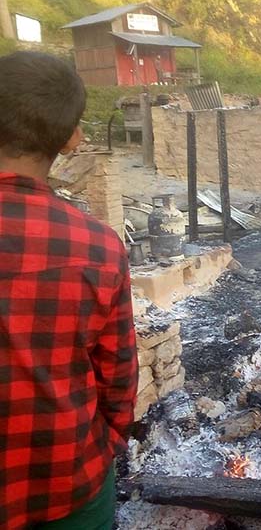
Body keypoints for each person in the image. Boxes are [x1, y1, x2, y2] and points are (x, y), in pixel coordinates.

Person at [0, 52, 138, 530]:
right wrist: (107, 448)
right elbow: (118, 378)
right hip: (71, 484)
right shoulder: (98, 246)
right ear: (73, 137)